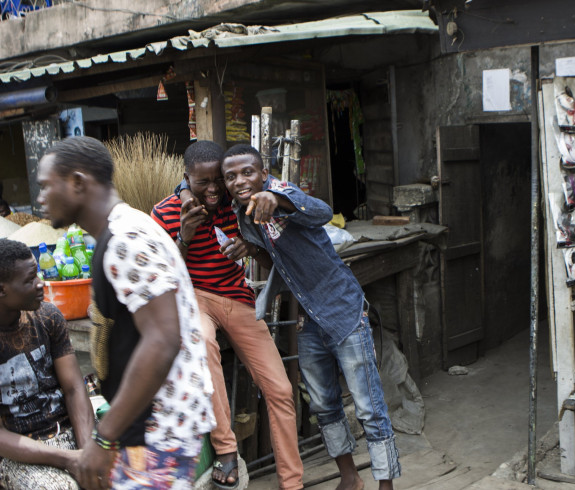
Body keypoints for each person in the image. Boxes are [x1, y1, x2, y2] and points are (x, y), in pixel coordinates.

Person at [36, 136, 215, 490]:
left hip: (158, 430)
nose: (40, 197)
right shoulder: (122, 230)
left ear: (76, 183)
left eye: (45, 185)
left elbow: (162, 340)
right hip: (150, 426)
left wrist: (104, 439)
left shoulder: (126, 238)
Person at [221, 145, 401, 490]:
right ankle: (350, 478)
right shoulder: (243, 215)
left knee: (368, 407)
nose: (240, 181)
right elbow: (280, 261)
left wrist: (280, 201)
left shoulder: (281, 192)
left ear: (264, 172)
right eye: (231, 176)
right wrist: (252, 249)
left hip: (344, 310)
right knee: (323, 404)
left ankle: (386, 485)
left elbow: (321, 212)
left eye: (247, 172)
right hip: (308, 318)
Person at [151, 141, 303, 490]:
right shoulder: (164, 212)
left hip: (237, 297)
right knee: (203, 344)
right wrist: (184, 239)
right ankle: (226, 449)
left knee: (279, 389)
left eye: (218, 179)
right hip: (192, 298)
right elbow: (161, 278)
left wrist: (251, 248)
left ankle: (292, 482)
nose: (214, 189)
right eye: (202, 182)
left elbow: (272, 260)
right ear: (185, 178)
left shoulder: (236, 204)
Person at [0, 238, 95, 489]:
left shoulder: (48, 316)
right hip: (20, 453)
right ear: (2, 290)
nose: (41, 284)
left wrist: (85, 454)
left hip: (73, 434)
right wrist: (67, 459)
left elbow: (75, 388)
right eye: (30, 279)